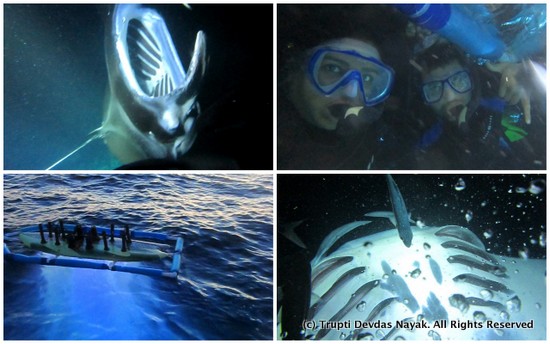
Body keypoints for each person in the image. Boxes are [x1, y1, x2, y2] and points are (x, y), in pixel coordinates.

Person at [278, 5, 408, 169]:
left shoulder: (379, 141)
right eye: (332, 68)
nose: (351, 93)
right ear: (294, 69)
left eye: (367, 78)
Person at [411, 41, 545, 169]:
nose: (449, 96)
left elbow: (535, 148)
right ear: (424, 97)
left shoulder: (501, 110)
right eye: (433, 89)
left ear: (471, 80)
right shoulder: (427, 144)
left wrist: (534, 80)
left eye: (458, 80)